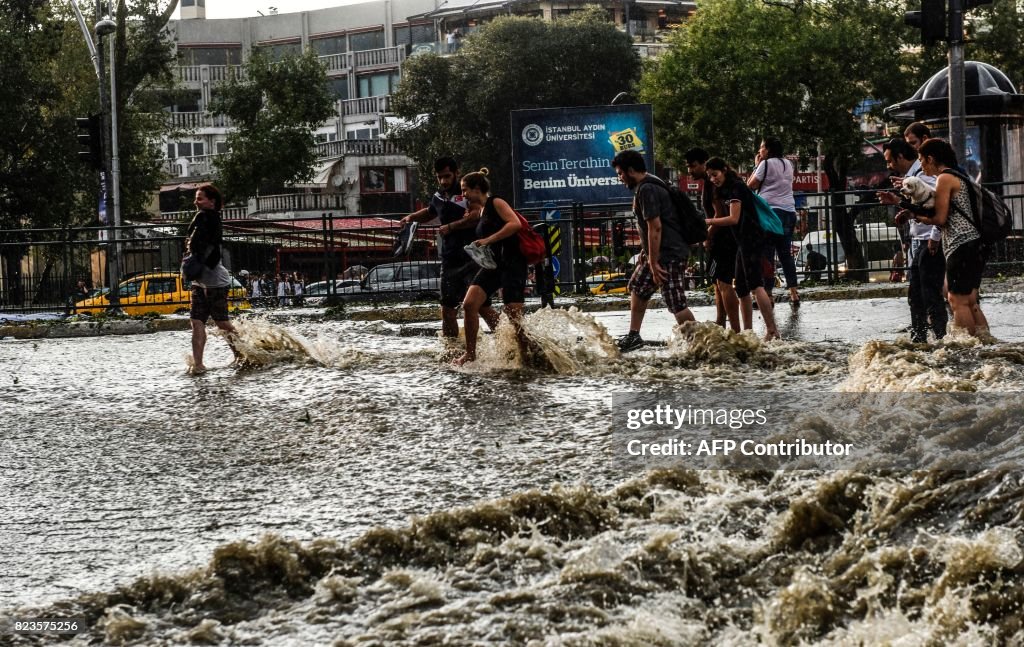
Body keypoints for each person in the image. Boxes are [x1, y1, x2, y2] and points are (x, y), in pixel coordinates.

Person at [400, 157, 499, 339]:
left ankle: (509, 338)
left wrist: (451, 226)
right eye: (440, 177)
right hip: (449, 259)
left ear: (456, 173)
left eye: (447, 176)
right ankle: (451, 349)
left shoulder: (466, 191)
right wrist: (411, 217)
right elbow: (430, 212)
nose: (444, 181)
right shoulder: (438, 195)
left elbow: (476, 215)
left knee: (482, 307)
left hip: (472, 258)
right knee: (447, 309)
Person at [612, 149, 696, 352]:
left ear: (631, 170)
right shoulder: (651, 182)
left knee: (675, 301)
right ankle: (634, 336)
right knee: (638, 286)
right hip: (660, 252)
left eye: (620, 173)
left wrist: (653, 259)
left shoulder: (646, 189)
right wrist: (647, 251)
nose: (620, 178)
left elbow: (655, 226)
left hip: (669, 255)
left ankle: (700, 344)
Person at [909, 138, 989, 337]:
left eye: (921, 160)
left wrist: (913, 215)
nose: (921, 166)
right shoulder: (960, 175)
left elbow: (939, 218)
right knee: (970, 300)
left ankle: (966, 349)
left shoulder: (944, 179)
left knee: (957, 300)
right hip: (976, 243)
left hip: (960, 245)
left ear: (930, 158)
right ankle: (985, 343)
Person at [454, 170, 529, 366]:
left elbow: (515, 224)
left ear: (477, 189)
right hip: (493, 265)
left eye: (465, 191)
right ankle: (470, 354)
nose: (463, 196)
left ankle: (529, 353)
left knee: (514, 316)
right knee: (469, 304)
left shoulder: (497, 202)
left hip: (512, 263)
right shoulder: (481, 210)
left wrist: (488, 239)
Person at [877, 137, 946, 343]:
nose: (889, 166)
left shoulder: (925, 175)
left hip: (930, 240)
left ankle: (941, 338)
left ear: (900, 156)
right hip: (921, 238)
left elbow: (939, 207)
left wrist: (935, 237)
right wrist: (903, 206)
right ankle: (920, 336)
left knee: (928, 291)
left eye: (890, 161)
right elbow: (919, 206)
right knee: (916, 292)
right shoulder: (912, 177)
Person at [704, 157, 780, 340]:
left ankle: (772, 330)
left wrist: (708, 221)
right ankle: (747, 332)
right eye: (710, 177)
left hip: (751, 240)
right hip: (743, 241)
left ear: (724, 170)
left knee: (756, 285)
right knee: (742, 288)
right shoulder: (731, 188)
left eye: (715, 175)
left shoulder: (735, 188)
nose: (713, 179)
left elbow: (733, 218)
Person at [185, 184, 239, 374]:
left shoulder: (210, 219)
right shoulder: (201, 219)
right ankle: (198, 364)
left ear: (212, 201)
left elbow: (211, 248)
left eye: (200, 198)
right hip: (199, 281)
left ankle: (243, 353)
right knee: (196, 321)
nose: (196, 202)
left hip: (215, 281)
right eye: (196, 198)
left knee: (222, 322)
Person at [686, 147, 739, 331]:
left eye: (692, 166)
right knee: (718, 282)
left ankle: (735, 329)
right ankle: (721, 322)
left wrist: (708, 235)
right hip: (723, 237)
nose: (689, 170)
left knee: (724, 283)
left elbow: (720, 213)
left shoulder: (711, 184)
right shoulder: (710, 182)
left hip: (724, 238)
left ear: (703, 164)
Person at [747, 136, 800, 306]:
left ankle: (768, 295)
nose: (760, 150)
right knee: (785, 254)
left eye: (762, 147)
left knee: (767, 254)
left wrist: (756, 165)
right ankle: (794, 293)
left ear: (768, 150)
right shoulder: (788, 164)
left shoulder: (765, 164)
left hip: (770, 213)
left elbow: (751, 185)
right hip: (789, 212)